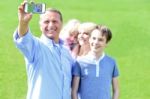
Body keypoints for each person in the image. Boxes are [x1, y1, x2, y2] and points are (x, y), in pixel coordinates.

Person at [13, 1, 74, 99]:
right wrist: (23, 22)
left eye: (54, 21)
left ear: (61, 24)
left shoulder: (66, 52)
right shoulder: (36, 46)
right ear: (40, 25)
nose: (50, 25)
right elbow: (24, 38)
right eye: (46, 22)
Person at [71, 25, 119, 99]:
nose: (96, 42)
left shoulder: (111, 63)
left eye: (100, 40)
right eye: (93, 38)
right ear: (89, 39)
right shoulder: (79, 63)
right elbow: (74, 91)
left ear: (107, 43)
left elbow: (116, 90)